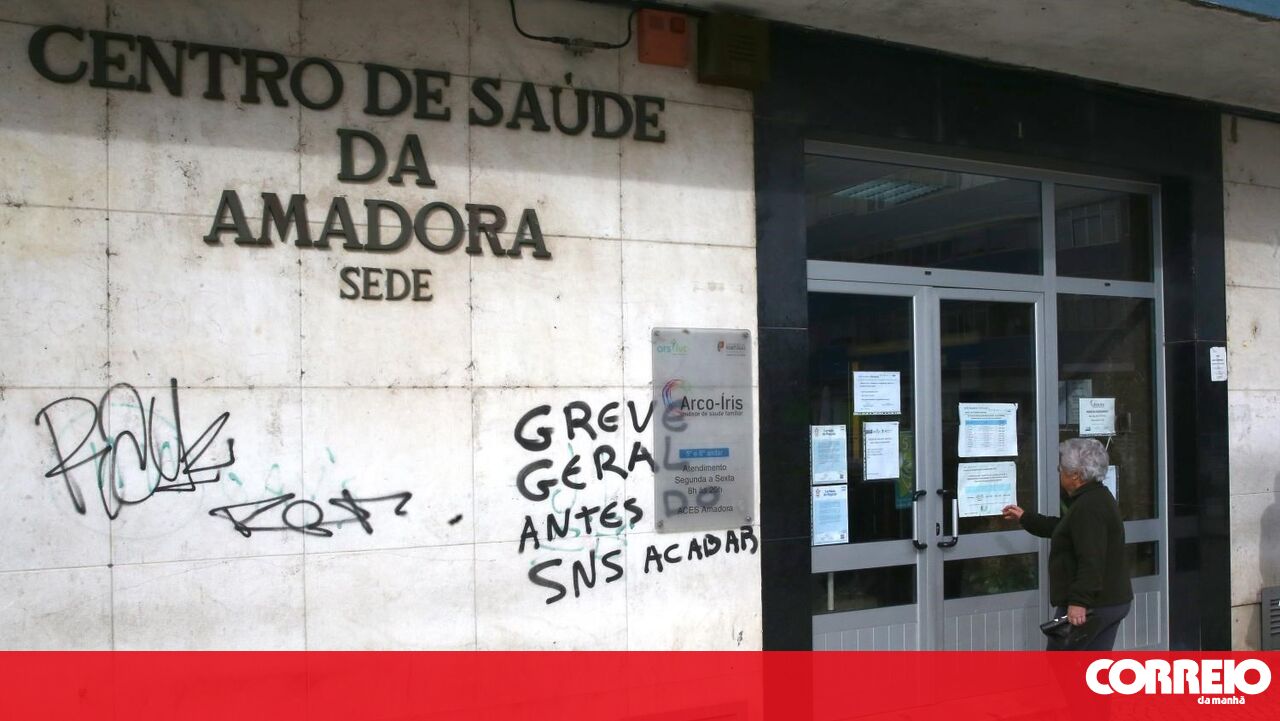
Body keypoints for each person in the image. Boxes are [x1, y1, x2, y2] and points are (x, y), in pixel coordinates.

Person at [1002, 438, 1132, 651]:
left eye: (1060, 469)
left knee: (1060, 663)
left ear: (1076, 475)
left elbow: (1091, 558)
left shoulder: (1088, 507)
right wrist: (1025, 518)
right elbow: (1065, 530)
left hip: (1092, 605)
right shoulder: (1097, 497)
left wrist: (1079, 602)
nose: (1059, 473)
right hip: (1110, 601)